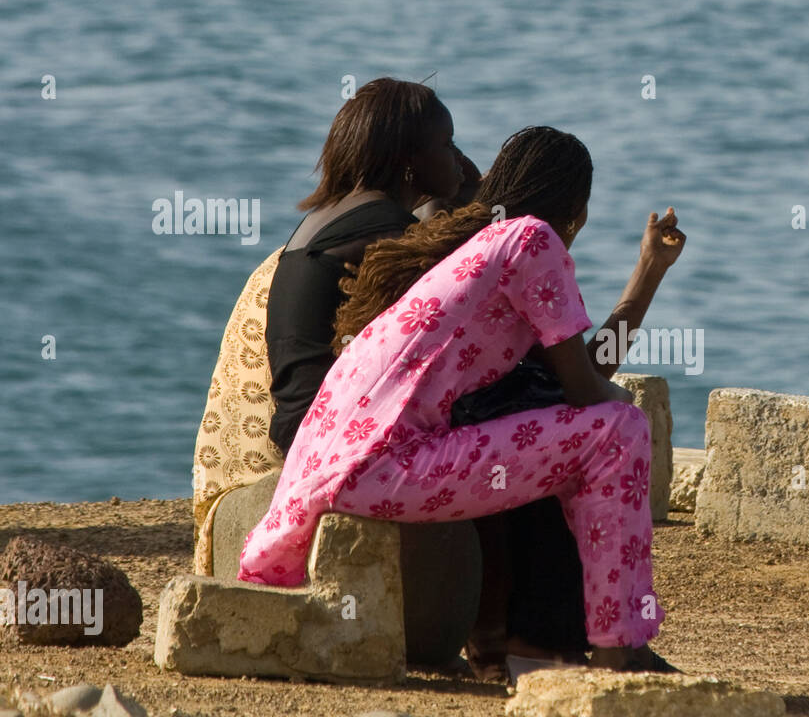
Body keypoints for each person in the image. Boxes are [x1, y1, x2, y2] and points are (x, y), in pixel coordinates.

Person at [238, 127, 685, 672]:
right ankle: (619, 646)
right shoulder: (532, 241)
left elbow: (579, 375)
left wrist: (649, 270)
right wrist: (614, 402)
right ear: (577, 208)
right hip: (382, 464)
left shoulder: (483, 246)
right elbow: (587, 389)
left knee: (600, 426)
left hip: (336, 466)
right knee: (620, 428)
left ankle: (557, 642)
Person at [190, 76, 475, 581]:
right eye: (447, 144)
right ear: (410, 159)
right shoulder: (387, 236)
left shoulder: (327, 219)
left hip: (289, 434)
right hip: (315, 446)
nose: (457, 157)